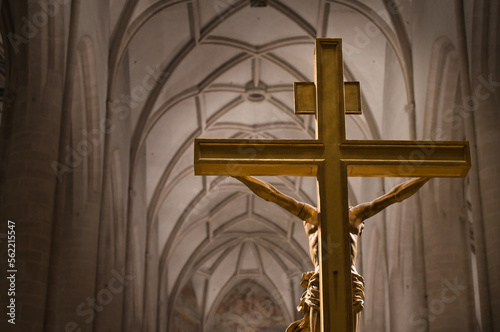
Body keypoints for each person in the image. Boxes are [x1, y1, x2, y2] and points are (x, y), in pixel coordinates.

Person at [232, 176, 430, 332]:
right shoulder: (352, 215)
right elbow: (394, 195)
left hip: (331, 280)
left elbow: (272, 194)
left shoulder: (312, 215)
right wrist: (425, 176)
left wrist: (240, 175)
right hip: (338, 281)